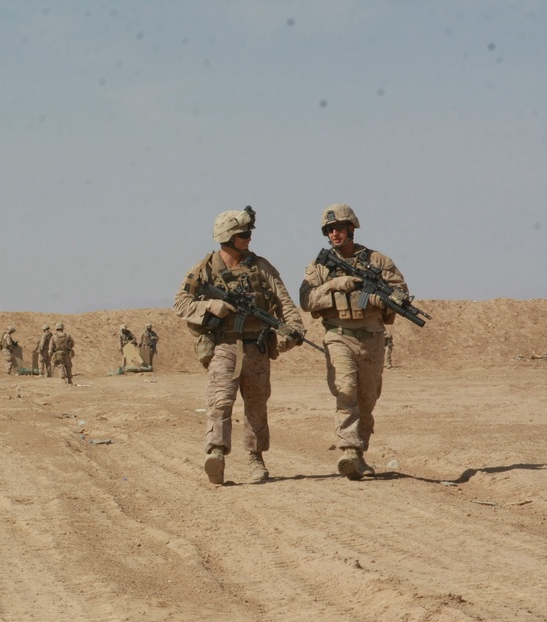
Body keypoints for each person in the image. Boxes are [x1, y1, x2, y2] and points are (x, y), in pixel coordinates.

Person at [173, 206, 305, 485]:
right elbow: (180, 303)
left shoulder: (261, 267)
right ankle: (216, 453)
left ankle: (256, 457)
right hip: (223, 345)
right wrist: (211, 305)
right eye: (243, 234)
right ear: (228, 237)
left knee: (256, 405)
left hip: (256, 346)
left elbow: (284, 301)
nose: (249, 239)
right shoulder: (203, 269)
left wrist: (293, 328)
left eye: (248, 233)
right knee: (220, 401)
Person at [299, 203, 410, 480]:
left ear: (351, 228)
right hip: (339, 336)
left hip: (372, 337)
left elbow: (401, 294)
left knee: (367, 399)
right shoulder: (319, 267)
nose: (334, 234)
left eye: (339, 228)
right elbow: (307, 300)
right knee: (346, 390)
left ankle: (358, 455)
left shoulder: (378, 261)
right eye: (330, 230)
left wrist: (380, 300)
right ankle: (348, 449)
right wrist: (333, 286)